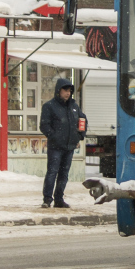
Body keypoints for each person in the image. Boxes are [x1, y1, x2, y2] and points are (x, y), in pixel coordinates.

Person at [39, 77, 86, 209]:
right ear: (58, 90)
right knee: (52, 172)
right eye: (65, 90)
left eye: (70, 90)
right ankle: (47, 199)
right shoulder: (50, 106)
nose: (68, 93)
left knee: (64, 174)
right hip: (55, 147)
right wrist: (54, 136)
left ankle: (59, 199)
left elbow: (83, 120)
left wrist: (79, 136)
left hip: (69, 146)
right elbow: (44, 125)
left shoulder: (74, 106)